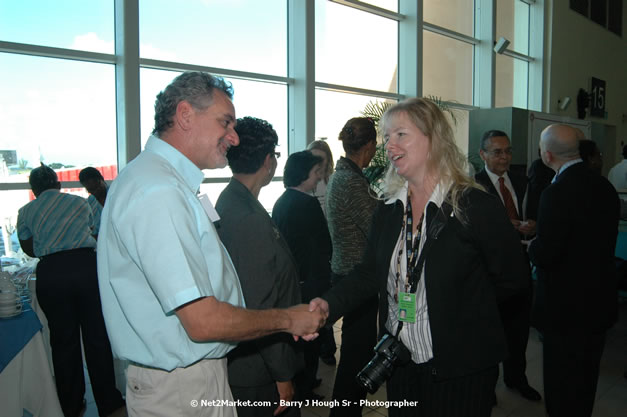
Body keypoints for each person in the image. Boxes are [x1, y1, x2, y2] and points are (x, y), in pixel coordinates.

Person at [97, 71, 325, 416]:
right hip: (182, 388)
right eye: (225, 123)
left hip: (187, 381)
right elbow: (203, 322)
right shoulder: (158, 191)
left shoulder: (158, 181)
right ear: (186, 115)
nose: (233, 138)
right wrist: (287, 320)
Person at [311, 97, 528, 417]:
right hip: (400, 365)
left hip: (461, 370)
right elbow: (370, 272)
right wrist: (327, 306)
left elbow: (513, 278)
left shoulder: (473, 207)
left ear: (433, 139)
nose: (390, 145)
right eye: (387, 137)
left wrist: (462, 313)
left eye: (401, 134)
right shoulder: (388, 209)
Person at [17, 164, 125, 417]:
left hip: (52, 274)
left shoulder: (26, 211)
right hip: (86, 269)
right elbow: (92, 231)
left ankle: (70, 404)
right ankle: (109, 402)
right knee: (97, 338)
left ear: (34, 189)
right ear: (58, 184)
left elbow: (29, 249)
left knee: (63, 342)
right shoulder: (80, 203)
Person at [528, 124, 620, 417]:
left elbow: (549, 253)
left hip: (564, 309)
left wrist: (531, 246)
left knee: (561, 384)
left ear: (547, 154)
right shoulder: (604, 186)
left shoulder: (555, 193)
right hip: (599, 302)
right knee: (585, 381)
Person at [215, 116, 303, 417]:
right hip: (258, 371)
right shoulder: (248, 218)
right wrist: (282, 376)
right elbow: (260, 305)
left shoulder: (232, 202)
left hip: (250, 361)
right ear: (268, 161)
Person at [474, 130, 541, 403]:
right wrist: (504, 228)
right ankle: (486, 387)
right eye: (497, 152)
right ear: (483, 155)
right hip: (489, 273)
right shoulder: (473, 186)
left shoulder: (522, 180)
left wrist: (534, 225)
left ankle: (516, 378)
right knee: (488, 334)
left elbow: (533, 213)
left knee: (519, 330)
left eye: (508, 151)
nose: (504, 157)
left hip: (520, 269)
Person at [325, 117, 379, 417]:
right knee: (357, 355)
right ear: (369, 147)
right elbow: (375, 228)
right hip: (354, 276)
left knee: (354, 351)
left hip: (345, 271)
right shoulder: (352, 181)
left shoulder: (341, 175)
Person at [272, 150, 332, 401]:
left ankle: (302, 381)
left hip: (293, 279)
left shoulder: (281, 201)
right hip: (311, 278)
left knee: (297, 336)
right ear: (304, 174)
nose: (319, 177)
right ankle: (306, 387)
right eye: (316, 172)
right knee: (311, 336)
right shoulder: (308, 204)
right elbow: (325, 244)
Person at [307, 139, 337, 367]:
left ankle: (328, 346)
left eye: (321, 159)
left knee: (329, 295)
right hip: (314, 245)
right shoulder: (305, 183)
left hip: (331, 244)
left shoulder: (333, 181)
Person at [79, 166, 109, 235]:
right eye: (90, 190)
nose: (95, 192)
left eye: (96, 187)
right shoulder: (91, 200)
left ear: (101, 179)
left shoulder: (114, 194)